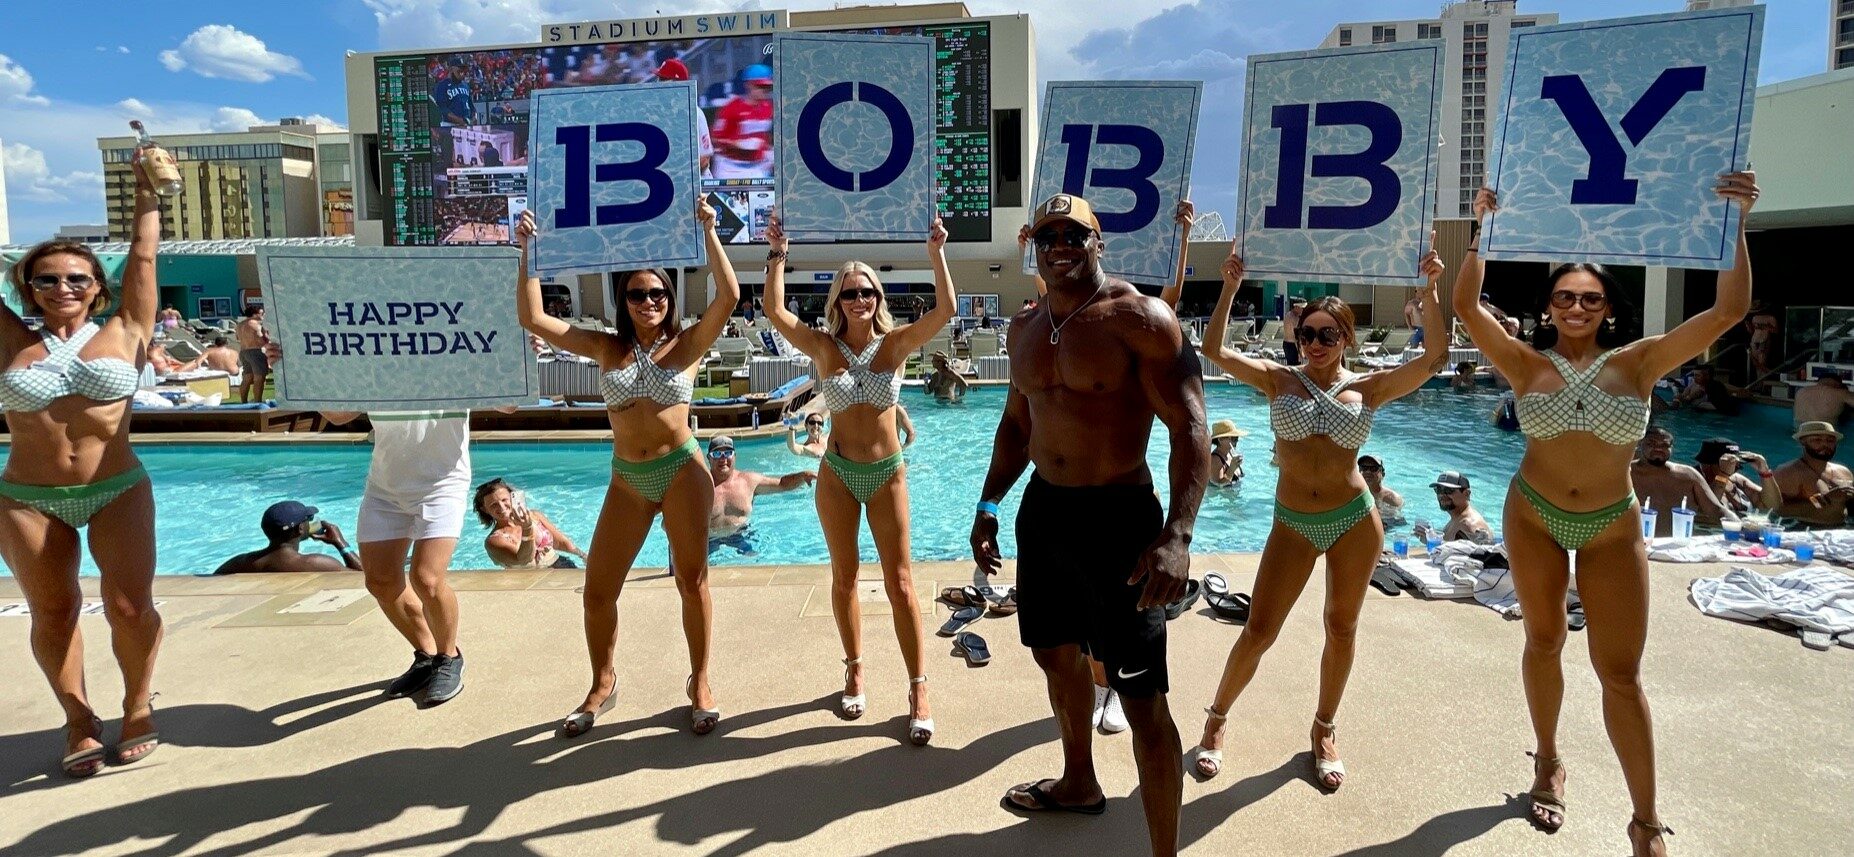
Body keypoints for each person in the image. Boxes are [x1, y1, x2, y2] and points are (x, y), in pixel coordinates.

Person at [1455, 171, 1757, 856]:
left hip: (1613, 524)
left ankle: (1645, 819)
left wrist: (1735, 220)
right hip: (1532, 513)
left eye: (1589, 297)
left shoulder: (1641, 362)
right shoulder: (1526, 364)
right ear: (1550, 307)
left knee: (1620, 672)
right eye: (1564, 296)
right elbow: (1467, 306)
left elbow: (1728, 311)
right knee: (1543, 641)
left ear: (1607, 308)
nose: (1577, 305)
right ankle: (1547, 760)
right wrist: (1483, 230)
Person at [972, 192, 1208, 856]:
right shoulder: (1024, 328)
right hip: (1045, 514)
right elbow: (1017, 427)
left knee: (1141, 698)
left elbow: (1190, 427)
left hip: (1120, 521)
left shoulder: (1141, 319)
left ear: (1098, 241)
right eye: (1048, 235)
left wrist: (1178, 536)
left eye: (1075, 233)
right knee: (1054, 654)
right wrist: (989, 505)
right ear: (1033, 246)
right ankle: (1078, 779)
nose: (1061, 245)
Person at [1190, 236, 1444, 793]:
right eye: (1306, 334)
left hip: (1354, 518)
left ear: (1346, 337)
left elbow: (1434, 359)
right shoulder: (1280, 380)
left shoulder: (1370, 387)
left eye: (1328, 334)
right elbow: (1213, 350)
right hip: (1292, 522)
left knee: (1342, 627)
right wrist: (1230, 286)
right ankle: (1216, 719)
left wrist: (1430, 290)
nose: (1316, 343)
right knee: (1259, 629)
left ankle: (1324, 729)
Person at [515, 200, 737, 738]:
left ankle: (701, 681)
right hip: (627, 479)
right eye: (637, 294)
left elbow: (728, 297)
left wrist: (709, 230)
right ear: (624, 300)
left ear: (669, 298)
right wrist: (527, 254)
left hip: (682, 471)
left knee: (692, 582)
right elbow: (534, 318)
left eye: (658, 293)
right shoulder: (606, 347)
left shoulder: (686, 346)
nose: (649, 301)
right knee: (598, 589)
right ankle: (602, 681)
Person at [763, 207, 954, 747]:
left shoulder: (894, 347)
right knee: (844, 578)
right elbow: (775, 310)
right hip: (839, 475)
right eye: (848, 293)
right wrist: (778, 252)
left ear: (878, 297)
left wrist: (936, 253)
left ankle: (918, 687)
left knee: (900, 583)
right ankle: (853, 667)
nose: (859, 299)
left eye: (867, 290)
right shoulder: (825, 349)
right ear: (837, 302)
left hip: (888, 474)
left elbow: (946, 309)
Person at [0, 153, 164, 778]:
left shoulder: (126, 329)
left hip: (115, 486)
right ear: (27, 288)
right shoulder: (12, 340)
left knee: (129, 607)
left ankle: (137, 703)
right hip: (26, 495)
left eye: (75, 278)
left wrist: (147, 190)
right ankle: (77, 719)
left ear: (98, 284)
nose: (62, 289)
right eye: (46, 280)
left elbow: (144, 256)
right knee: (54, 612)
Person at [266, 339, 475, 708]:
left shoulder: (458, 356)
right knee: (380, 581)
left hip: (442, 483)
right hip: (385, 485)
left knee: (426, 579)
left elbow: (507, 402)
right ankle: (426, 655)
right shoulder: (375, 358)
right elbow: (339, 415)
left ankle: (449, 657)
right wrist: (294, 367)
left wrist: (522, 354)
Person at [705, 435, 815, 555]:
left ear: (734, 456)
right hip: (709, 539)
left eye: (727, 453)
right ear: (709, 459)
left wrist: (803, 475)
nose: (723, 458)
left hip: (741, 534)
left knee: (754, 560)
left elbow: (782, 484)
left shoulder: (749, 481)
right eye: (716, 454)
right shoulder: (699, 485)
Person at [1630, 426, 1736, 534]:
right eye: (1651, 444)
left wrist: (1739, 527)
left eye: (1665, 445)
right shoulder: (1626, 473)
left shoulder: (1688, 476)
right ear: (1640, 444)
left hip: (1677, 546)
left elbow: (1716, 510)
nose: (1658, 448)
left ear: (1672, 448)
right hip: (1631, 545)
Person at [213, 501, 362, 575]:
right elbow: (364, 578)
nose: (311, 522)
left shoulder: (241, 562)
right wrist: (340, 542)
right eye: (308, 519)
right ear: (301, 528)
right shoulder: (316, 563)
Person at [474, 479, 585, 569]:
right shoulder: (494, 540)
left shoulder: (535, 516)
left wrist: (584, 556)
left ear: (512, 497)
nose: (502, 507)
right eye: (494, 504)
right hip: (530, 583)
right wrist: (527, 528)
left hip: (561, 565)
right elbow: (525, 559)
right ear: (484, 509)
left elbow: (561, 543)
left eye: (504, 500)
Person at [1773, 421, 1854, 528]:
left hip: (1842, 529)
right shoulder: (1789, 472)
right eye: (1817, 440)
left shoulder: (1844, 472)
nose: (1824, 445)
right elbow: (1777, 510)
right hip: (1803, 529)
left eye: (1830, 440)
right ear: (1803, 441)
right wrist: (1826, 500)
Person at [711, 64, 774, 179]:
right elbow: (716, 139)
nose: (764, 91)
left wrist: (768, 150)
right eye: (760, 87)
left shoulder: (767, 107)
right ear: (748, 85)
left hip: (757, 167)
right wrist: (739, 144)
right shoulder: (731, 108)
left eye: (767, 87)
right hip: (730, 168)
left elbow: (765, 134)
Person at [1693, 438, 1779, 516]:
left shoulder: (1737, 480)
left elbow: (1773, 506)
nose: (1736, 468)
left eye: (1738, 464)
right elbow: (1707, 514)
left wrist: (1765, 472)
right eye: (1731, 463)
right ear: (1708, 464)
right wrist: (1723, 475)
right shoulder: (1693, 483)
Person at [1413, 471, 1496, 544]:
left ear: (1467, 494)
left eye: (1449, 490)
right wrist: (1430, 538)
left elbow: (1487, 554)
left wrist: (1433, 541)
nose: (1442, 495)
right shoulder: (1457, 518)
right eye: (1438, 490)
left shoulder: (1470, 524)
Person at [1667, 363, 1742, 415]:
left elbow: (1688, 398)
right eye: (1694, 375)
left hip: (1714, 413)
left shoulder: (1708, 387)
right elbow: (1685, 396)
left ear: (1707, 376)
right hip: (1701, 412)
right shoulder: (1694, 384)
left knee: (1701, 405)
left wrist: (1677, 399)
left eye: (1697, 375)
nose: (1694, 377)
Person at [236, 306, 269, 403]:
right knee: (259, 378)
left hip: (243, 351)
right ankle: (258, 401)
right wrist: (266, 335)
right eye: (261, 313)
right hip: (255, 352)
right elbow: (261, 340)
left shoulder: (240, 325)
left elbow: (238, 338)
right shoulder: (256, 325)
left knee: (247, 377)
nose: (263, 315)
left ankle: (243, 401)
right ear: (255, 314)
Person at [1358, 455, 1404, 526]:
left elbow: (1398, 522)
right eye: (1364, 468)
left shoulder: (1392, 498)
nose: (1368, 472)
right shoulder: (1354, 495)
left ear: (1383, 474)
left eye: (1373, 468)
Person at [1209, 420, 1247, 488]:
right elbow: (1218, 485)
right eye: (1233, 438)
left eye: (1236, 437)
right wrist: (1232, 469)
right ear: (1220, 440)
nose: (1236, 440)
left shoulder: (1230, 453)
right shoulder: (1215, 459)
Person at [1281, 296, 1307, 365]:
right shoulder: (1294, 318)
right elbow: (1297, 337)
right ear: (1296, 307)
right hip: (1293, 346)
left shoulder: (1288, 315)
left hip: (1287, 344)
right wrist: (1300, 352)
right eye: (1302, 308)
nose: (1303, 310)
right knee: (1295, 368)